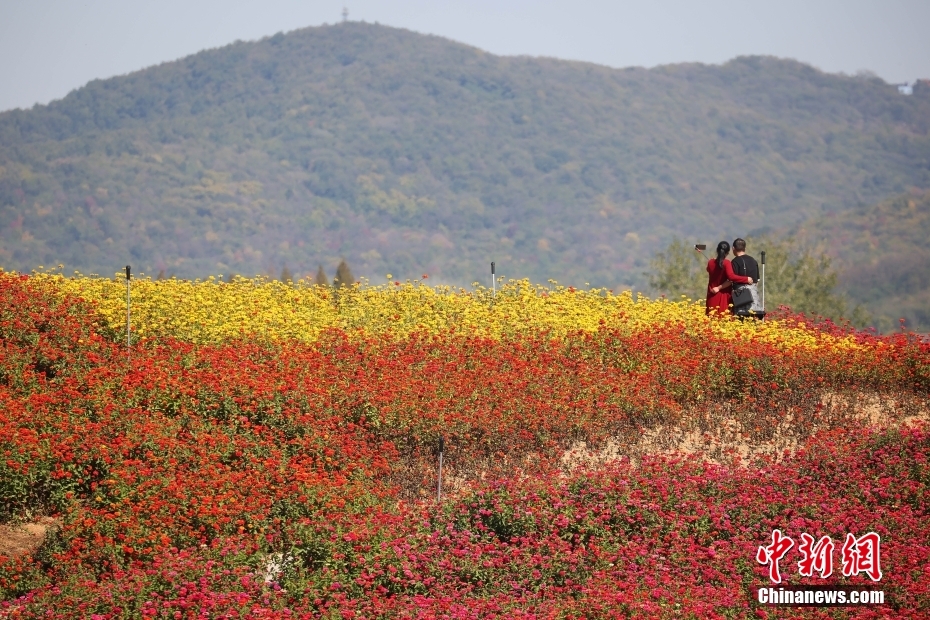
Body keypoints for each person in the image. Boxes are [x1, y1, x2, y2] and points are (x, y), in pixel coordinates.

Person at [703, 241, 753, 316]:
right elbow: (731, 277)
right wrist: (746, 279)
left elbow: (708, 269)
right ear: (728, 252)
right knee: (723, 319)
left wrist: (713, 261)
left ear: (717, 250)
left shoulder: (710, 262)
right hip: (723, 296)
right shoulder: (726, 263)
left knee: (711, 320)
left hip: (711, 296)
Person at [730, 238, 764, 319]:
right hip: (754, 296)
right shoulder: (753, 261)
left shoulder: (735, 261)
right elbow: (756, 281)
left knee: (741, 319)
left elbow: (732, 279)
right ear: (745, 248)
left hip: (741, 297)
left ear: (733, 248)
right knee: (754, 319)